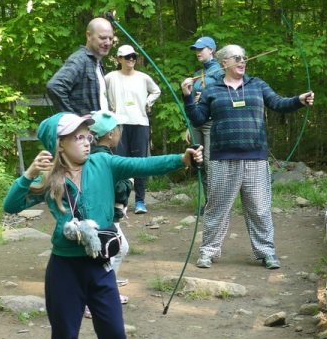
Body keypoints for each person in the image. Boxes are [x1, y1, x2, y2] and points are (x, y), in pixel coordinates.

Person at [3, 112, 201, 339]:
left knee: (113, 331)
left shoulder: (103, 164)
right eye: (78, 137)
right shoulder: (46, 178)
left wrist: (182, 158)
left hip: (101, 266)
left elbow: (143, 165)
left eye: (87, 135)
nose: (87, 140)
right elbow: (11, 206)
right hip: (65, 268)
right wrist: (28, 174)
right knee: (65, 333)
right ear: (59, 144)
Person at [181, 44, 314, 270]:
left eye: (244, 58)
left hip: (256, 158)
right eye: (237, 58)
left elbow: (278, 103)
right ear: (224, 63)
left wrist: (299, 99)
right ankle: (208, 251)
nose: (242, 61)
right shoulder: (213, 90)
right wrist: (187, 97)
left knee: (260, 208)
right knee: (217, 207)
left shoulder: (257, 85)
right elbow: (198, 119)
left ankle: (266, 252)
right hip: (222, 158)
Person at [104, 45, 161, 214]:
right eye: (127, 57)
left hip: (140, 123)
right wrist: (108, 109)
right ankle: (120, 201)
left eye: (133, 57)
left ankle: (140, 201)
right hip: (118, 124)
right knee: (119, 162)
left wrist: (148, 102)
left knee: (140, 162)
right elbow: (101, 93)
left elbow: (156, 90)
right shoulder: (111, 77)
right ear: (119, 59)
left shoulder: (143, 78)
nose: (131, 60)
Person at [87, 110, 132, 314]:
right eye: (118, 129)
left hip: (102, 217)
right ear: (110, 134)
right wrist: (127, 181)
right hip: (101, 218)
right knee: (111, 251)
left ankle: (107, 291)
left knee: (119, 248)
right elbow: (117, 189)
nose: (120, 133)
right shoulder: (103, 159)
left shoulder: (96, 155)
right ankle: (93, 298)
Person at [182, 36, 222, 213]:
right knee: (199, 162)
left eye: (201, 49)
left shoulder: (220, 72)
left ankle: (216, 204)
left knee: (210, 162)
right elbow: (193, 104)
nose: (198, 52)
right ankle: (208, 202)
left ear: (211, 50)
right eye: (196, 50)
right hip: (197, 123)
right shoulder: (198, 75)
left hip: (212, 122)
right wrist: (188, 125)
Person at [46, 17, 114, 114]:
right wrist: (73, 120)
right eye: (102, 38)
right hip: (84, 128)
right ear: (89, 36)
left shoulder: (97, 63)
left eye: (110, 38)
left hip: (96, 127)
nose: (108, 42)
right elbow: (55, 86)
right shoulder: (80, 60)